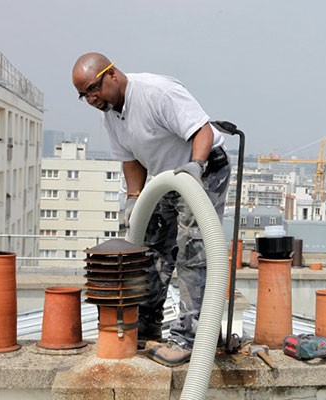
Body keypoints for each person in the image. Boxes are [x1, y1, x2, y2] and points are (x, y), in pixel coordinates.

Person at [72, 52, 231, 367]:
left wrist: (196, 166)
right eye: (84, 95)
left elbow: (203, 130)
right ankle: (146, 325)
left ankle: (190, 337)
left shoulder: (156, 92)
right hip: (165, 178)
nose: (91, 98)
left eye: (93, 88)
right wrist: (134, 197)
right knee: (151, 251)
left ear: (112, 74)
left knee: (192, 252)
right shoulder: (111, 114)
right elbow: (130, 158)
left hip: (203, 168)